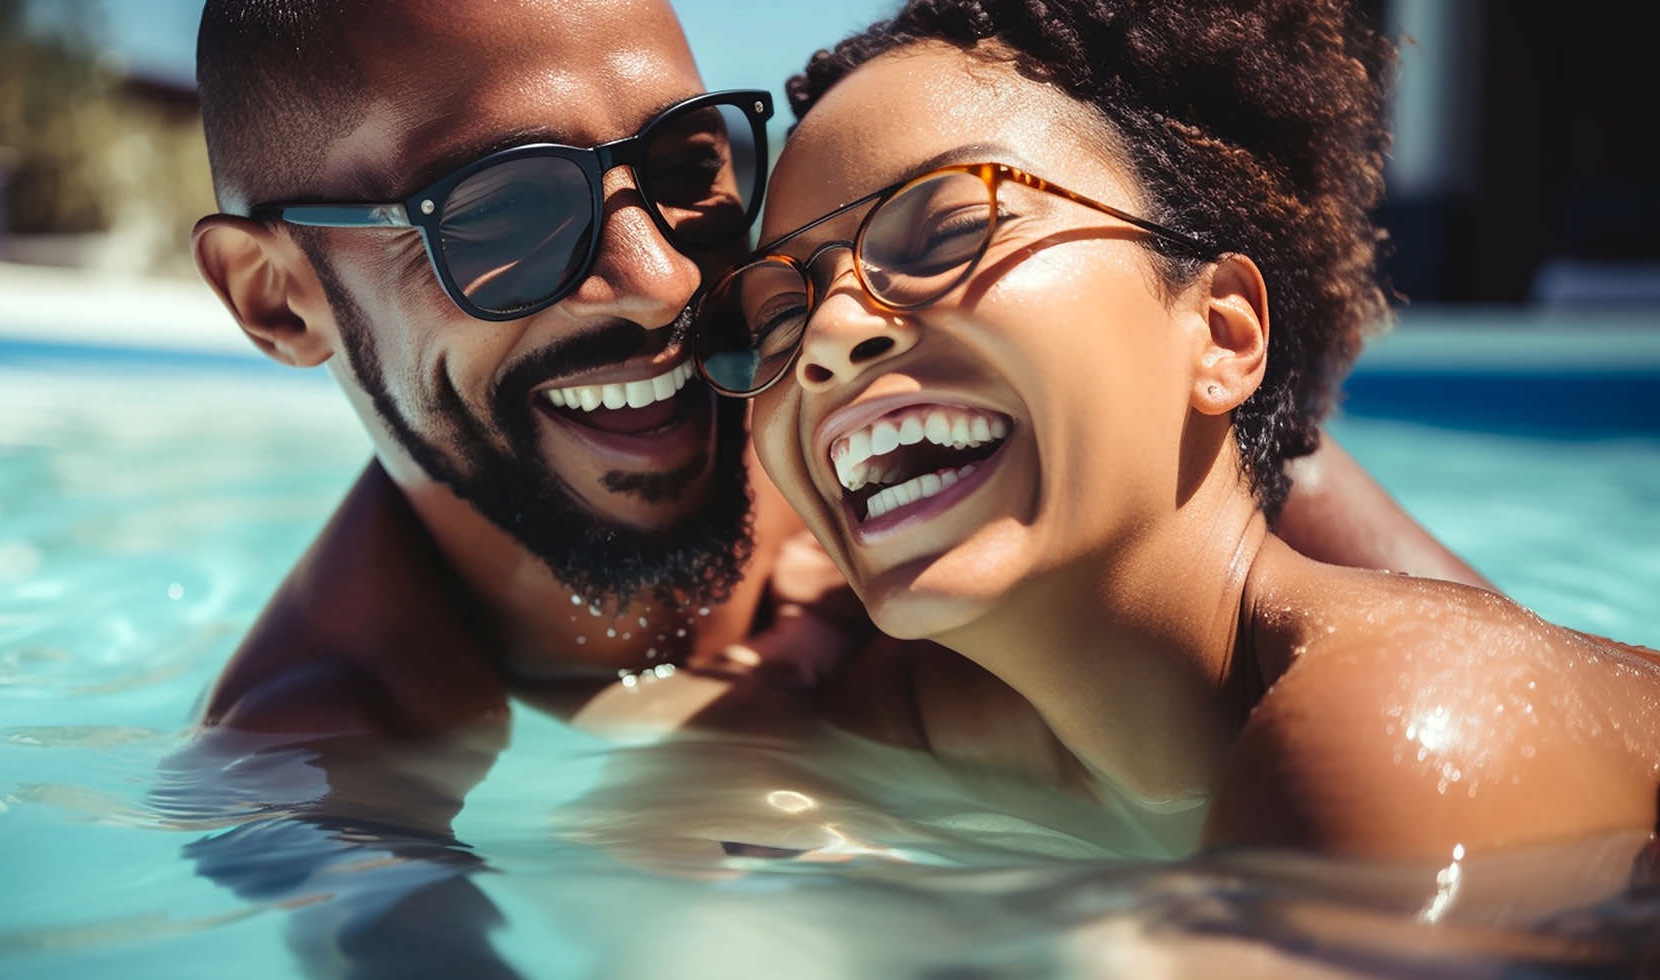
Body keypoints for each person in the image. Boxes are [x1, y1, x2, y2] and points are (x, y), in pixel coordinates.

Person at [186, 0, 1488, 745]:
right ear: (277, 297)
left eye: (689, 166)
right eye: (505, 215)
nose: (662, 279)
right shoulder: (330, 748)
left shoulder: (857, 370)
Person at [690, 0, 1660, 859]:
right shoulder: (914, 716)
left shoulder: (1414, 717)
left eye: (947, 232)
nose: (826, 334)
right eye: (778, 312)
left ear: (1222, 333)